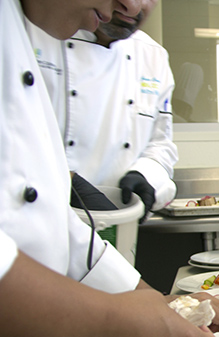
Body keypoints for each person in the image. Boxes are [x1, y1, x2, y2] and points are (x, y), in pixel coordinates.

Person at [0, 0, 219, 337]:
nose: (128, 5)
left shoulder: (19, 33)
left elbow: (45, 208)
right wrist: (106, 326)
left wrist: (145, 297)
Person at [27, 0, 177, 221]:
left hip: (117, 219)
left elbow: (160, 144)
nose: (134, 8)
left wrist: (145, 175)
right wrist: (64, 181)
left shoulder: (153, 55)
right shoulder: (35, 33)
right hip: (37, 215)